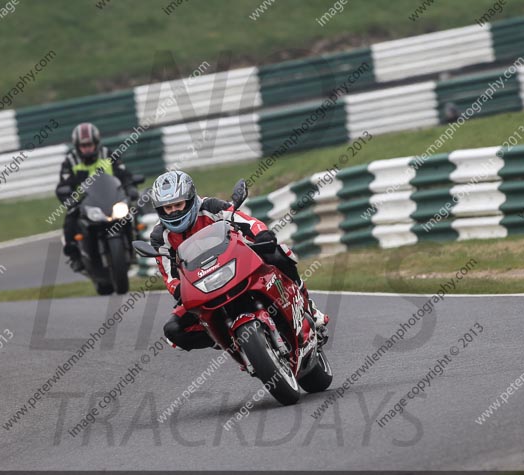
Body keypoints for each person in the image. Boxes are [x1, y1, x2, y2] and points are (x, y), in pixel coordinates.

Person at [148, 170, 328, 351]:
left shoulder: (210, 207)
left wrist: (262, 234)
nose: (173, 212)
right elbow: (169, 275)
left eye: (178, 205)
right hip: (200, 282)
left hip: (237, 262)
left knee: (277, 252)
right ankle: (224, 339)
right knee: (173, 331)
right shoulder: (159, 236)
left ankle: (308, 306)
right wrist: (179, 289)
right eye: (168, 208)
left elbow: (247, 221)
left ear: (190, 199)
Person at [56, 122, 138, 272]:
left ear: (96, 143)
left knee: (134, 210)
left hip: (112, 199)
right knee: (70, 219)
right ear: (77, 146)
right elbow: (63, 186)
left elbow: (124, 175)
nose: (87, 149)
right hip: (85, 203)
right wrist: (70, 199)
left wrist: (130, 187)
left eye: (89, 145)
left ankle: (138, 243)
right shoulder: (70, 161)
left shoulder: (109, 154)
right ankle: (75, 255)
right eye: (83, 146)